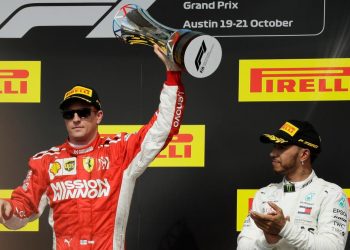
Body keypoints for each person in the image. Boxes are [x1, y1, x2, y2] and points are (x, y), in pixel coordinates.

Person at [0, 45, 185, 250]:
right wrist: (7, 210)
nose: (76, 119)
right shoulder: (46, 161)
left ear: (98, 116)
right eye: (69, 114)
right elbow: (24, 209)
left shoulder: (120, 151)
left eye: (84, 112)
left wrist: (173, 77)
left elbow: (162, 130)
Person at [237, 120, 349, 250]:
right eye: (274, 146)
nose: (272, 153)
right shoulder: (264, 194)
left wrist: (285, 229)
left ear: (304, 154)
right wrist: (268, 242)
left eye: (282, 147)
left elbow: (333, 247)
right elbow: (243, 247)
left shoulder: (331, 193)